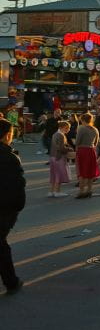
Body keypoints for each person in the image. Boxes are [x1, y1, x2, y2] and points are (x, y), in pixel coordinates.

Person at [0, 119, 25, 294]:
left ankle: (11, 281)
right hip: (4, 209)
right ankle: (11, 281)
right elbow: (16, 186)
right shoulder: (9, 158)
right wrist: (17, 207)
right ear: (7, 135)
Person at [75, 113, 100, 199]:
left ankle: (81, 192)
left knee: (82, 172)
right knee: (90, 172)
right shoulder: (95, 129)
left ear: (82, 120)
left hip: (82, 151)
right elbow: (97, 142)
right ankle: (89, 190)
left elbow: (77, 142)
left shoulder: (81, 128)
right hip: (91, 151)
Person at [48, 120, 72, 198]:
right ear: (61, 127)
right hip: (59, 156)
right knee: (59, 174)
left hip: (52, 156)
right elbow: (61, 148)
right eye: (67, 128)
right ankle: (57, 191)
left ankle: (52, 191)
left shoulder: (55, 134)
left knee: (54, 174)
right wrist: (69, 149)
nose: (68, 129)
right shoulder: (61, 135)